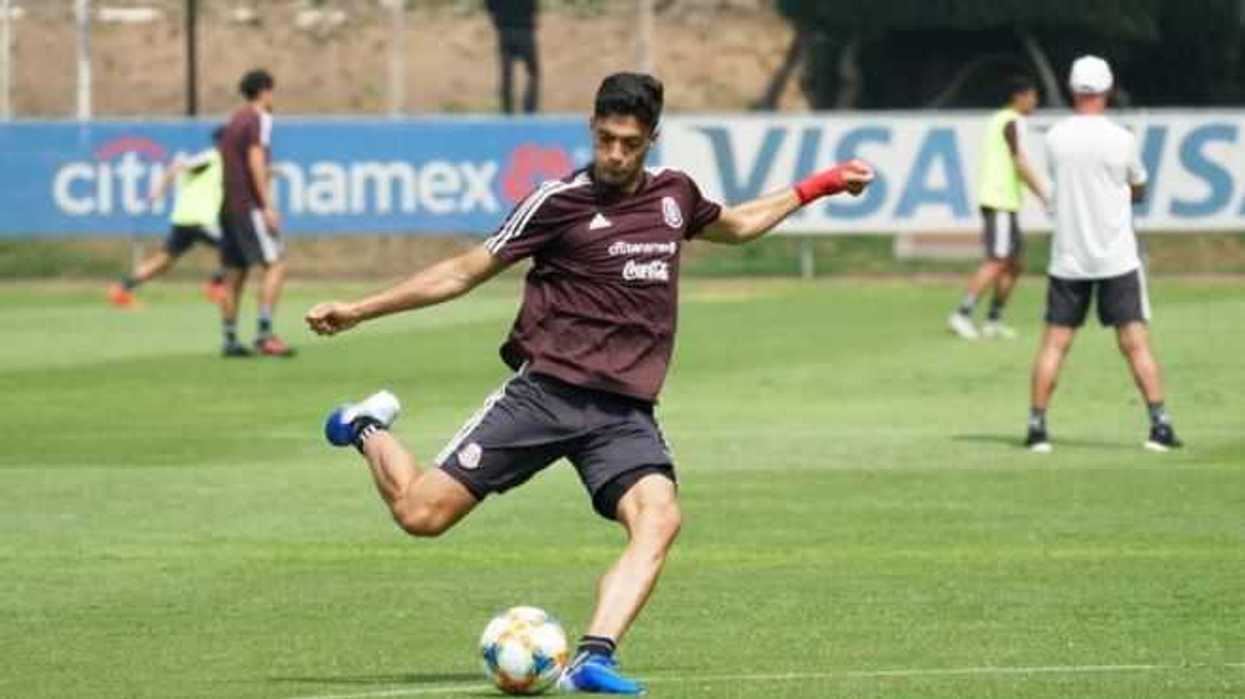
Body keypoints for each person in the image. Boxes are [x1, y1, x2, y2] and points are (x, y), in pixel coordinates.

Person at [305, 72, 873, 695]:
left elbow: (735, 226)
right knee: (420, 515)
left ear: (651, 139)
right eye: (606, 139)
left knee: (659, 520)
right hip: (546, 394)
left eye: (630, 143)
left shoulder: (675, 196)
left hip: (624, 413)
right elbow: (462, 272)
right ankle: (365, 427)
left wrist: (817, 187)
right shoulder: (558, 202)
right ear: (592, 131)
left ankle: (594, 659)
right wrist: (361, 308)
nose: (615, 154)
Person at [1025, 56, 1182, 453]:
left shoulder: (1056, 138)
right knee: (1135, 342)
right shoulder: (1121, 138)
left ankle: (1037, 427)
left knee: (1055, 343)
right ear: (1108, 91)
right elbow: (1139, 187)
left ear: (1073, 89)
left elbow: (1061, 181)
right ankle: (1159, 425)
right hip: (1115, 254)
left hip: (1069, 254)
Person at [948, 74, 1050, 340]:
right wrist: (1044, 194)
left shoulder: (999, 120)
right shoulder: (1011, 121)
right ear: (1020, 97)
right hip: (1000, 200)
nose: (1035, 102)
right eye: (1032, 96)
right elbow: (1019, 161)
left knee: (1014, 265)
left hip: (1006, 201)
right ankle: (962, 313)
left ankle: (993, 319)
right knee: (997, 261)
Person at [218, 68, 295, 358]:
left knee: (235, 273)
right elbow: (254, 159)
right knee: (276, 263)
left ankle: (229, 338)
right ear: (264, 91)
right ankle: (264, 334)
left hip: (229, 206)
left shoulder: (234, 120)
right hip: (249, 206)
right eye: (272, 91)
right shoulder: (258, 118)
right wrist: (266, 206)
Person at [107, 127, 227, 308]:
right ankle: (215, 285)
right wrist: (158, 190)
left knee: (164, 261)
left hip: (185, 218)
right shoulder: (211, 157)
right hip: (199, 219)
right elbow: (177, 166)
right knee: (237, 249)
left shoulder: (225, 162)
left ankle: (122, 289)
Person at [485, 0, 539, 114]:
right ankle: (529, 107)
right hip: (525, 30)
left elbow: (489, 5)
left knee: (506, 73)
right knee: (533, 72)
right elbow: (533, 6)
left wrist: (496, 19)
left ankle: (506, 109)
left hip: (504, 31)